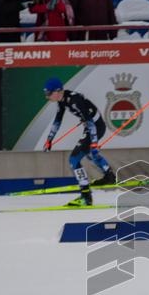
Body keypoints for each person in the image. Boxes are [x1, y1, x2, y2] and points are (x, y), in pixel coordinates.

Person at [42, 78, 115, 207]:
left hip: (95, 127)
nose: (47, 96)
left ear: (58, 91)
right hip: (91, 127)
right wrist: (49, 140)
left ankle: (86, 197)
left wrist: (94, 142)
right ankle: (109, 176)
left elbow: (90, 122)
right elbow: (57, 121)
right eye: (46, 93)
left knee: (74, 159)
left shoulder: (74, 100)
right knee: (89, 154)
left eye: (49, 93)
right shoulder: (62, 101)